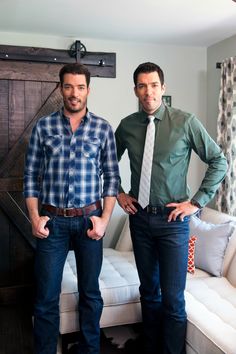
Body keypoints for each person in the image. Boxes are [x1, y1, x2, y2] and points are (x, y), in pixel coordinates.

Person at [115, 62, 227, 354]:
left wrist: (197, 202)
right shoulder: (127, 125)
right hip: (139, 221)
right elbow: (105, 163)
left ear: (162, 88)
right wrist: (118, 193)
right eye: (142, 85)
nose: (147, 91)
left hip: (173, 224)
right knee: (148, 294)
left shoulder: (185, 122)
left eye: (153, 85)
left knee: (173, 300)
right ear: (135, 90)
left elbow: (219, 161)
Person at [23, 63, 120, 354]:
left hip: (90, 222)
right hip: (52, 222)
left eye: (80, 87)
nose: (74, 93)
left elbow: (112, 177)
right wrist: (34, 217)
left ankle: (90, 349)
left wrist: (104, 219)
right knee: (46, 297)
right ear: (60, 88)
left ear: (88, 90)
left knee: (90, 294)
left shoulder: (102, 128)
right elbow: (30, 176)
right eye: (68, 86)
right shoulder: (44, 126)